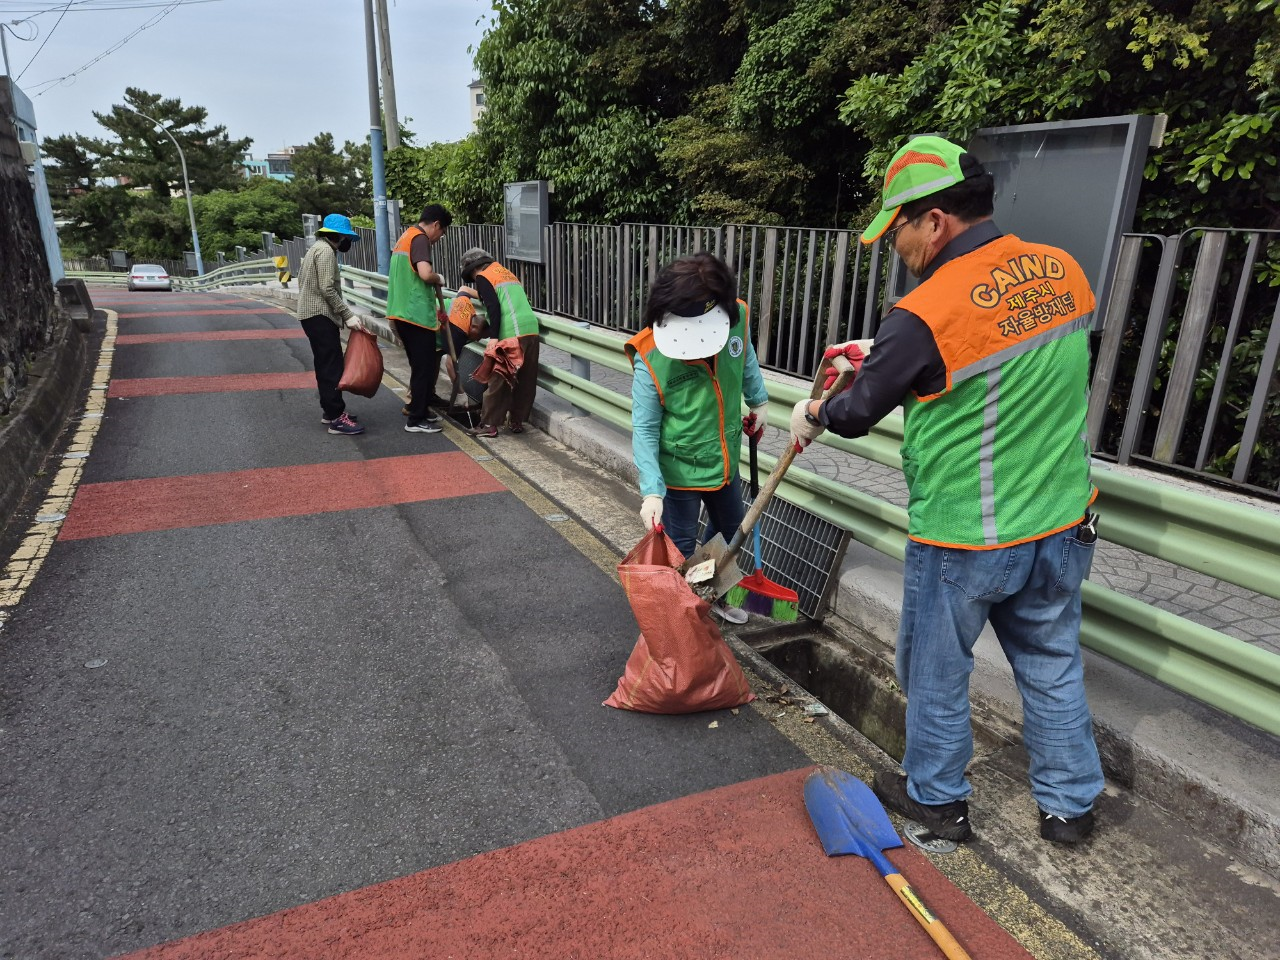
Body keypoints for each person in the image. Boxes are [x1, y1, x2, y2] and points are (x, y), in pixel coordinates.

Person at [789, 136, 1104, 844]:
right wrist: (895, 357)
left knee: (933, 668)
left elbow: (857, 411)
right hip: (1061, 522)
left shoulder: (924, 311)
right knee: (1051, 663)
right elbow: (1002, 362)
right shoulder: (1063, 272)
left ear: (934, 220)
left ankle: (936, 798)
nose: (893, 245)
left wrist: (813, 410)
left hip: (968, 535)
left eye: (896, 228)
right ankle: (1070, 807)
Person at [627, 252, 770, 626]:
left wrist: (759, 400)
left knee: (729, 531)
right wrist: (652, 491)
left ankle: (714, 595)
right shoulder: (650, 354)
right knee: (681, 547)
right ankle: (678, 622)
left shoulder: (734, 317)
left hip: (724, 457)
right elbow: (643, 429)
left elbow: (745, 356)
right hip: (678, 472)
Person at [456, 248, 540, 438]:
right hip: (531, 329)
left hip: (511, 332)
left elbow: (493, 306)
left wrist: (493, 338)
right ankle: (517, 421)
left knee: (498, 378)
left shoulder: (483, 277)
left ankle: (489, 424)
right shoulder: (505, 273)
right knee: (526, 378)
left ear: (473, 268)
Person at [295, 213, 366, 436]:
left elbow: (301, 280)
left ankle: (329, 410)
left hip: (311, 315)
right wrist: (347, 315)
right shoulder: (326, 252)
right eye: (347, 238)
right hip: (320, 315)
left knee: (325, 364)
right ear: (340, 237)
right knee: (331, 366)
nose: (348, 243)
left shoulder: (315, 248)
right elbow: (327, 288)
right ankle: (337, 417)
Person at [386, 203, 453, 434]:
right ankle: (415, 420)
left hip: (401, 313)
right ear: (436, 224)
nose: (439, 237)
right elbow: (425, 274)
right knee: (424, 367)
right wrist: (438, 278)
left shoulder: (405, 237)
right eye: (442, 232)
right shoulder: (420, 238)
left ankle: (420, 410)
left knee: (419, 366)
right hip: (415, 316)